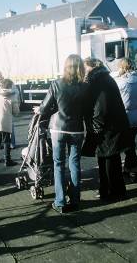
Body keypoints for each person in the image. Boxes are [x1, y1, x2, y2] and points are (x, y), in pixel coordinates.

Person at [38, 54, 89, 213]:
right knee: (75, 164)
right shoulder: (85, 87)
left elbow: (45, 108)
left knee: (58, 165)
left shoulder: (56, 84)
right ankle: (75, 200)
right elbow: (88, 110)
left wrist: (38, 110)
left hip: (58, 129)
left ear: (66, 67)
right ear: (80, 67)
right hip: (77, 130)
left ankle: (60, 202)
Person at [83, 58, 131, 202]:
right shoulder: (105, 78)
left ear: (91, 67)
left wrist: (96, 126)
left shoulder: (99, 81)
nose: (84, 71)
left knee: (108, 160)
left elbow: (101, 108)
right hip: (112, 126)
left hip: (107, 128)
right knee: (109, 159)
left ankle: (112, 191)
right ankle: (110, 190)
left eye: (85, 68)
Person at [114, 58, 137, 183]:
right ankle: (127, 169)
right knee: (130, 143)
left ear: (123, 67)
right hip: (136, 116)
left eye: (119, 67)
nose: (117, 69)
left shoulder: (120, 82)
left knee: (127, 147)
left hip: (124, 117)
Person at [0, 78, 20, 166]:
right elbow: (16, 112)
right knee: (6, 141)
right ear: (10, 86)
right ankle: (7, 160)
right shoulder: (12, 97)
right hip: (5, 123)